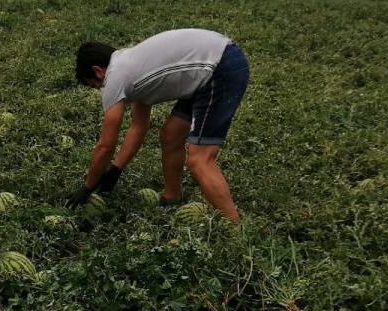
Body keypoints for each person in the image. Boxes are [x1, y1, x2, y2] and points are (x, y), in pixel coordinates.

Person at [66, 28, 250, 222]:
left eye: (96, 86)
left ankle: (235, 228)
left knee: (200, 160)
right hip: (211, 66)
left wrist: (88, 186)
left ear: (98, 71)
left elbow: (106, 145)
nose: (101, 91)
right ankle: (171, 199)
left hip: (220, 68)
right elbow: (138, 127)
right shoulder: (131, 65)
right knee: (171, 135)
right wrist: (115, 169)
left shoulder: (114, 78)